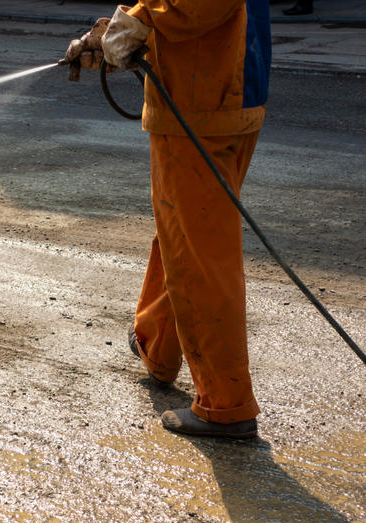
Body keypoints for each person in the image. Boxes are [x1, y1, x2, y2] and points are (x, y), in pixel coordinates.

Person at [64, 1, 271, 439]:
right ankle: (155, 344)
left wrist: (141, 19)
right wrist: (118, 28)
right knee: (185, 234)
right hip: (227, 86)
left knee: (200, 255)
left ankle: (226, 406)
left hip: (200, 98)